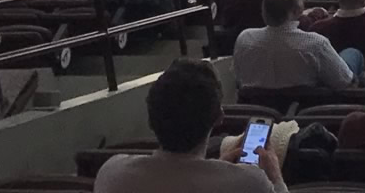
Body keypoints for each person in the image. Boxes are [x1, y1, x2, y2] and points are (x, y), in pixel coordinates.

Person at [95, 57, 286, 191]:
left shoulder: (111, 173)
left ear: (151, 119)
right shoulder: (250, 183)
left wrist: (214, 168)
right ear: (219, 117)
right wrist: (276, 178)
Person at [235, 0, 353, 90]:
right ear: (298, 10)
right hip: (303, 107)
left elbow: (239, 79)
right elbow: (344, 82)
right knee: (352, 53)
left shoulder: (244, 39)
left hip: (255, 109)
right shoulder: (316, 44)